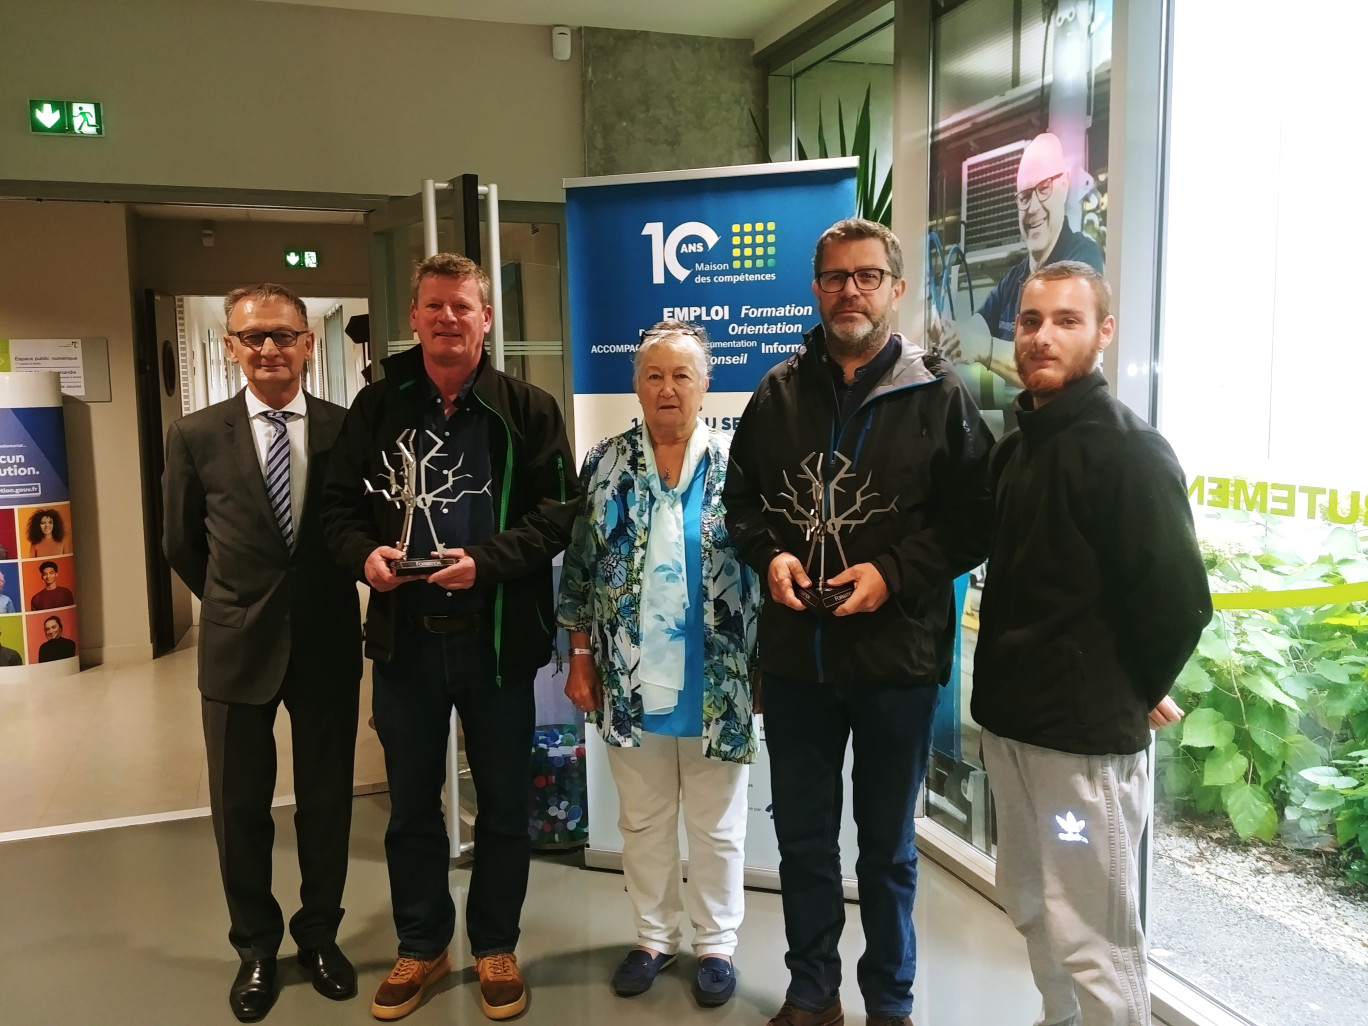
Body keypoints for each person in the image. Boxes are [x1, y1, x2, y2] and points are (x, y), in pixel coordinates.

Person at [723, 218, 995, 1026]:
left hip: (895, 664)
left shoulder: (940, 396)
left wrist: (893, 574)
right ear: (816, 288)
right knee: (804, 844)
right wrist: (769, 558)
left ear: (896, 290)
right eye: (837, 276)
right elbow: (741, 504)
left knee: (887, 853)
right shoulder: (776, 393)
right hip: (800, 663)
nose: (851, 290)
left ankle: (889, 1003)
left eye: (868, 276)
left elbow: (973, 521)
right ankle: (812, 994)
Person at [321, 253, 578, 1022]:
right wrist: (365, 559)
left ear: (485, 319)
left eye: (462, 306)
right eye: (434, 306)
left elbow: (559, 513)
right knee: (409, 807)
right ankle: (422, 944)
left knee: (504, 805)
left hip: (496, 641)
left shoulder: (527, 409)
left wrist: (488, 564)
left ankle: (494, 943)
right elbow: (336, 512)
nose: (447, 319)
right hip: (406, 641)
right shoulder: (377, 408)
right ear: (414, 317)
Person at [972, 261, 1212, 1026]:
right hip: (1012, 733)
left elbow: (1179, 603)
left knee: (1093, 934)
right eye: (1031, 321)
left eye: (1066, 321)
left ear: (1104, 332)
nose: (1042, 336)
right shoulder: (1017, 447)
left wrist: (1133, 688)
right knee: (1033, 908)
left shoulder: (1129, 452)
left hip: (1080, 751)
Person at [163, 283, 363, 1023]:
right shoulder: (195, 434)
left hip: (327, 642)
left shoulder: (348, 429)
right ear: (230, 347)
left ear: (310, 344)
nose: (270, 349)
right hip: (235, 646)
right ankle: (255, 948)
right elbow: (181, 543)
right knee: (240, 807)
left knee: (326, 802)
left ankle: (318, 937)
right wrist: (233, 603)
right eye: (254, 337)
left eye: (284, 335)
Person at [557, 320, 759, 1009]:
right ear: (636, 385)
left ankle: (716, 946)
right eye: (654, 375)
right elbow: (580, 569)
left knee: (717, 827)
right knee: (641, 823)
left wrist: (763, 669)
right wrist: (579, 657)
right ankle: (651, 937)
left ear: (705, 386)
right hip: (629, 676)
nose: (667, 388)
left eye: (682, 375)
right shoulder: (606, 462)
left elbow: (761, 576)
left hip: (719, 678)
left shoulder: (738, 465)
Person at [930, 133, 1104, 415]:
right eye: (1024, 196)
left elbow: (1064, 367)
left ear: (1064, 186)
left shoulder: (1083, 261)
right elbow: (978, 327)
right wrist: (953, 334)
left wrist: (985, 349)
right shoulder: (1015, 278)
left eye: (1044, 188)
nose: (1032, 207)